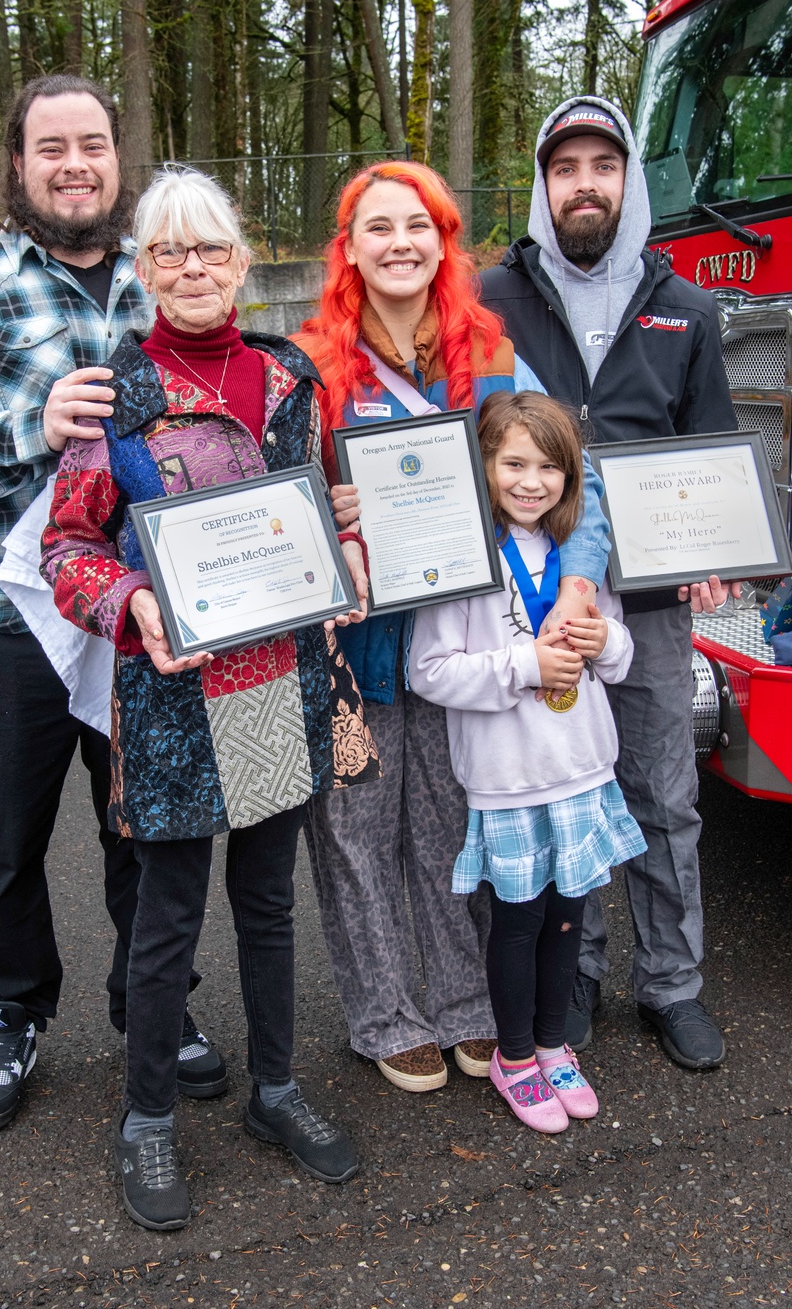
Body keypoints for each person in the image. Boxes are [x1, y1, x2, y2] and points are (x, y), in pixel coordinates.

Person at [0, 76, 226, 1132]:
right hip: (6, 621)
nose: (75, 165)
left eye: (93, 145)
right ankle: (7, 1012)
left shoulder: (164, 281)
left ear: (118, 158)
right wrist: (28, 423)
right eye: (51, 148)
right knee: (4, 836)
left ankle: (149, 1001)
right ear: (19, 165)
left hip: (147, 618)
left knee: (145, 826)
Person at [41, 166, 378, 1231]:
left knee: (272, 903)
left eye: (211, 248)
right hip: (175, 691)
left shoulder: (288, 380)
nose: (192, 268)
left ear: (242, 260)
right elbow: (65, 545)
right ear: (143, 270)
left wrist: (349, 541)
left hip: (277, 677)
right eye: (168, 251)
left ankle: (274, 1092)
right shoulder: (116, 392)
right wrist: (130, 600)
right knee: (165, 919)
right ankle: (145, 1123)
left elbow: (323, 510)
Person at [293, 160, 612, 1093]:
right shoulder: (309, 365)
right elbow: (271, 504)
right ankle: (387, 1015)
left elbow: (570, 476)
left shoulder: (493, 351)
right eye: (378, 228)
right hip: (352, 646)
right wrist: (328, 507)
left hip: (467, 640)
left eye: (419, 226)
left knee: (450, 827)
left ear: (445, 241)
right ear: (348, 250)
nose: (401, 244)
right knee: (355, 840)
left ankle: (472, 1004)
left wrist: (578, 586)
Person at [479, 96, 737, 1070]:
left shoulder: (688, 308)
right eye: (564, 166)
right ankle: (574, 972)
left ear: (627, 180)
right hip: (534, 595)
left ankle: (671, 986)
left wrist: (709, 546)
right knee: (566, 791)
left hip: (648, 604)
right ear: (543, 187)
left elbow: (708, 448)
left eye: (602, 164)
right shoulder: (490, 301)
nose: (583, 181)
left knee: (663, 798)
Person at [409, 391, 645, 1133]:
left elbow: (622, 655)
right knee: (517, 923)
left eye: (549, 467)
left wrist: (605, 644)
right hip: (508, 782)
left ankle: (554, 1044)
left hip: (581, 772)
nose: (531, 482)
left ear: (571, 479)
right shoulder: (464, 558)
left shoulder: (581, 559)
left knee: (569, 918)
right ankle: (514, 1058)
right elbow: (431, 671)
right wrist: (523, 664)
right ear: (482, 465)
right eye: (513, 463)